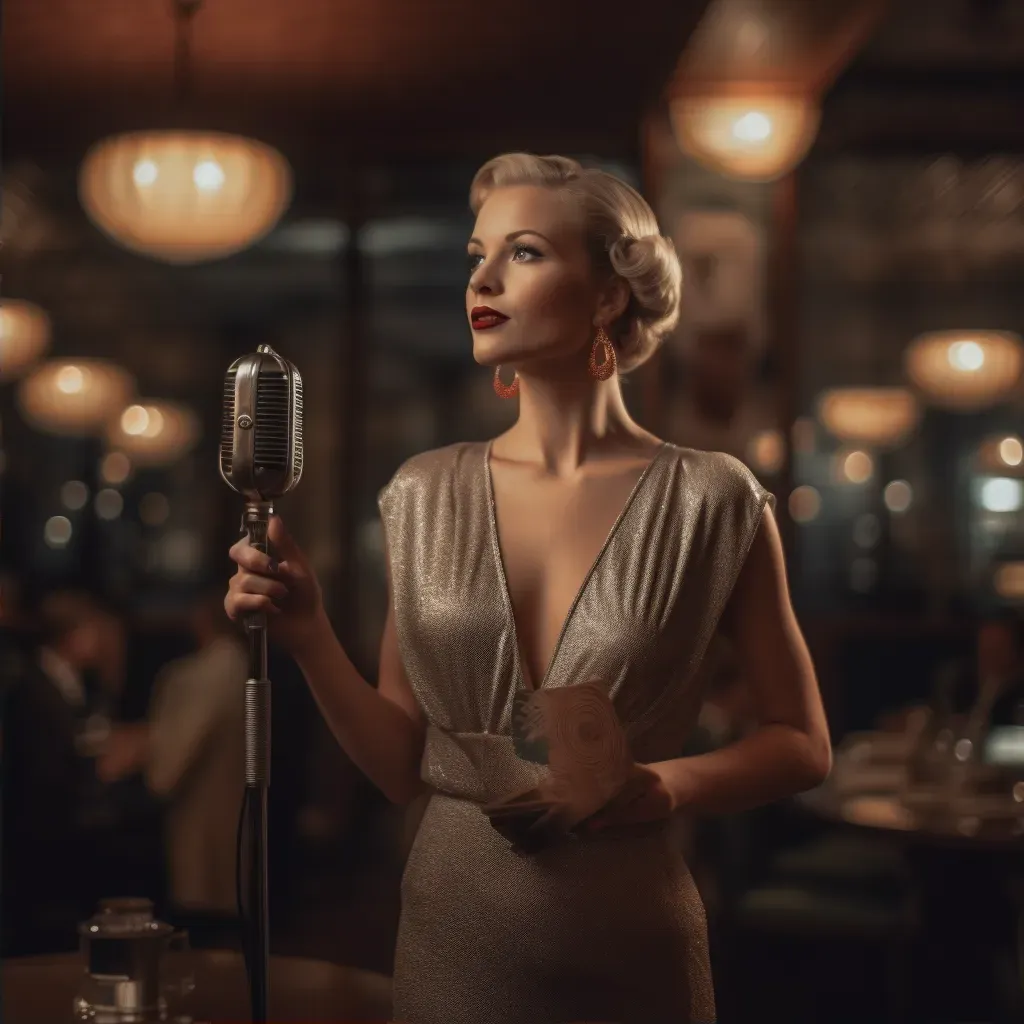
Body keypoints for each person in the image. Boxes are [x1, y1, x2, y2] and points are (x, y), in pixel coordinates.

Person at [225, 154, 831, 1024]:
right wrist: (313, 634)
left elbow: (803, 744)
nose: (483, 275)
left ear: (610, 294)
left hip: (633, 947)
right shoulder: (423, 493)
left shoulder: (714, 498)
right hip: (451, 941)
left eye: (526, 252)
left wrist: (667, 785)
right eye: (479, 253)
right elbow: (402, 767)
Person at [97, 590, 247, 917]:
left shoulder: (210, 672)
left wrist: (141, 753)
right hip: (222, 810)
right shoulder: (232, 664)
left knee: (204, 923)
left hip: (204, 816)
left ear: (203, 618)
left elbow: (170, 766)